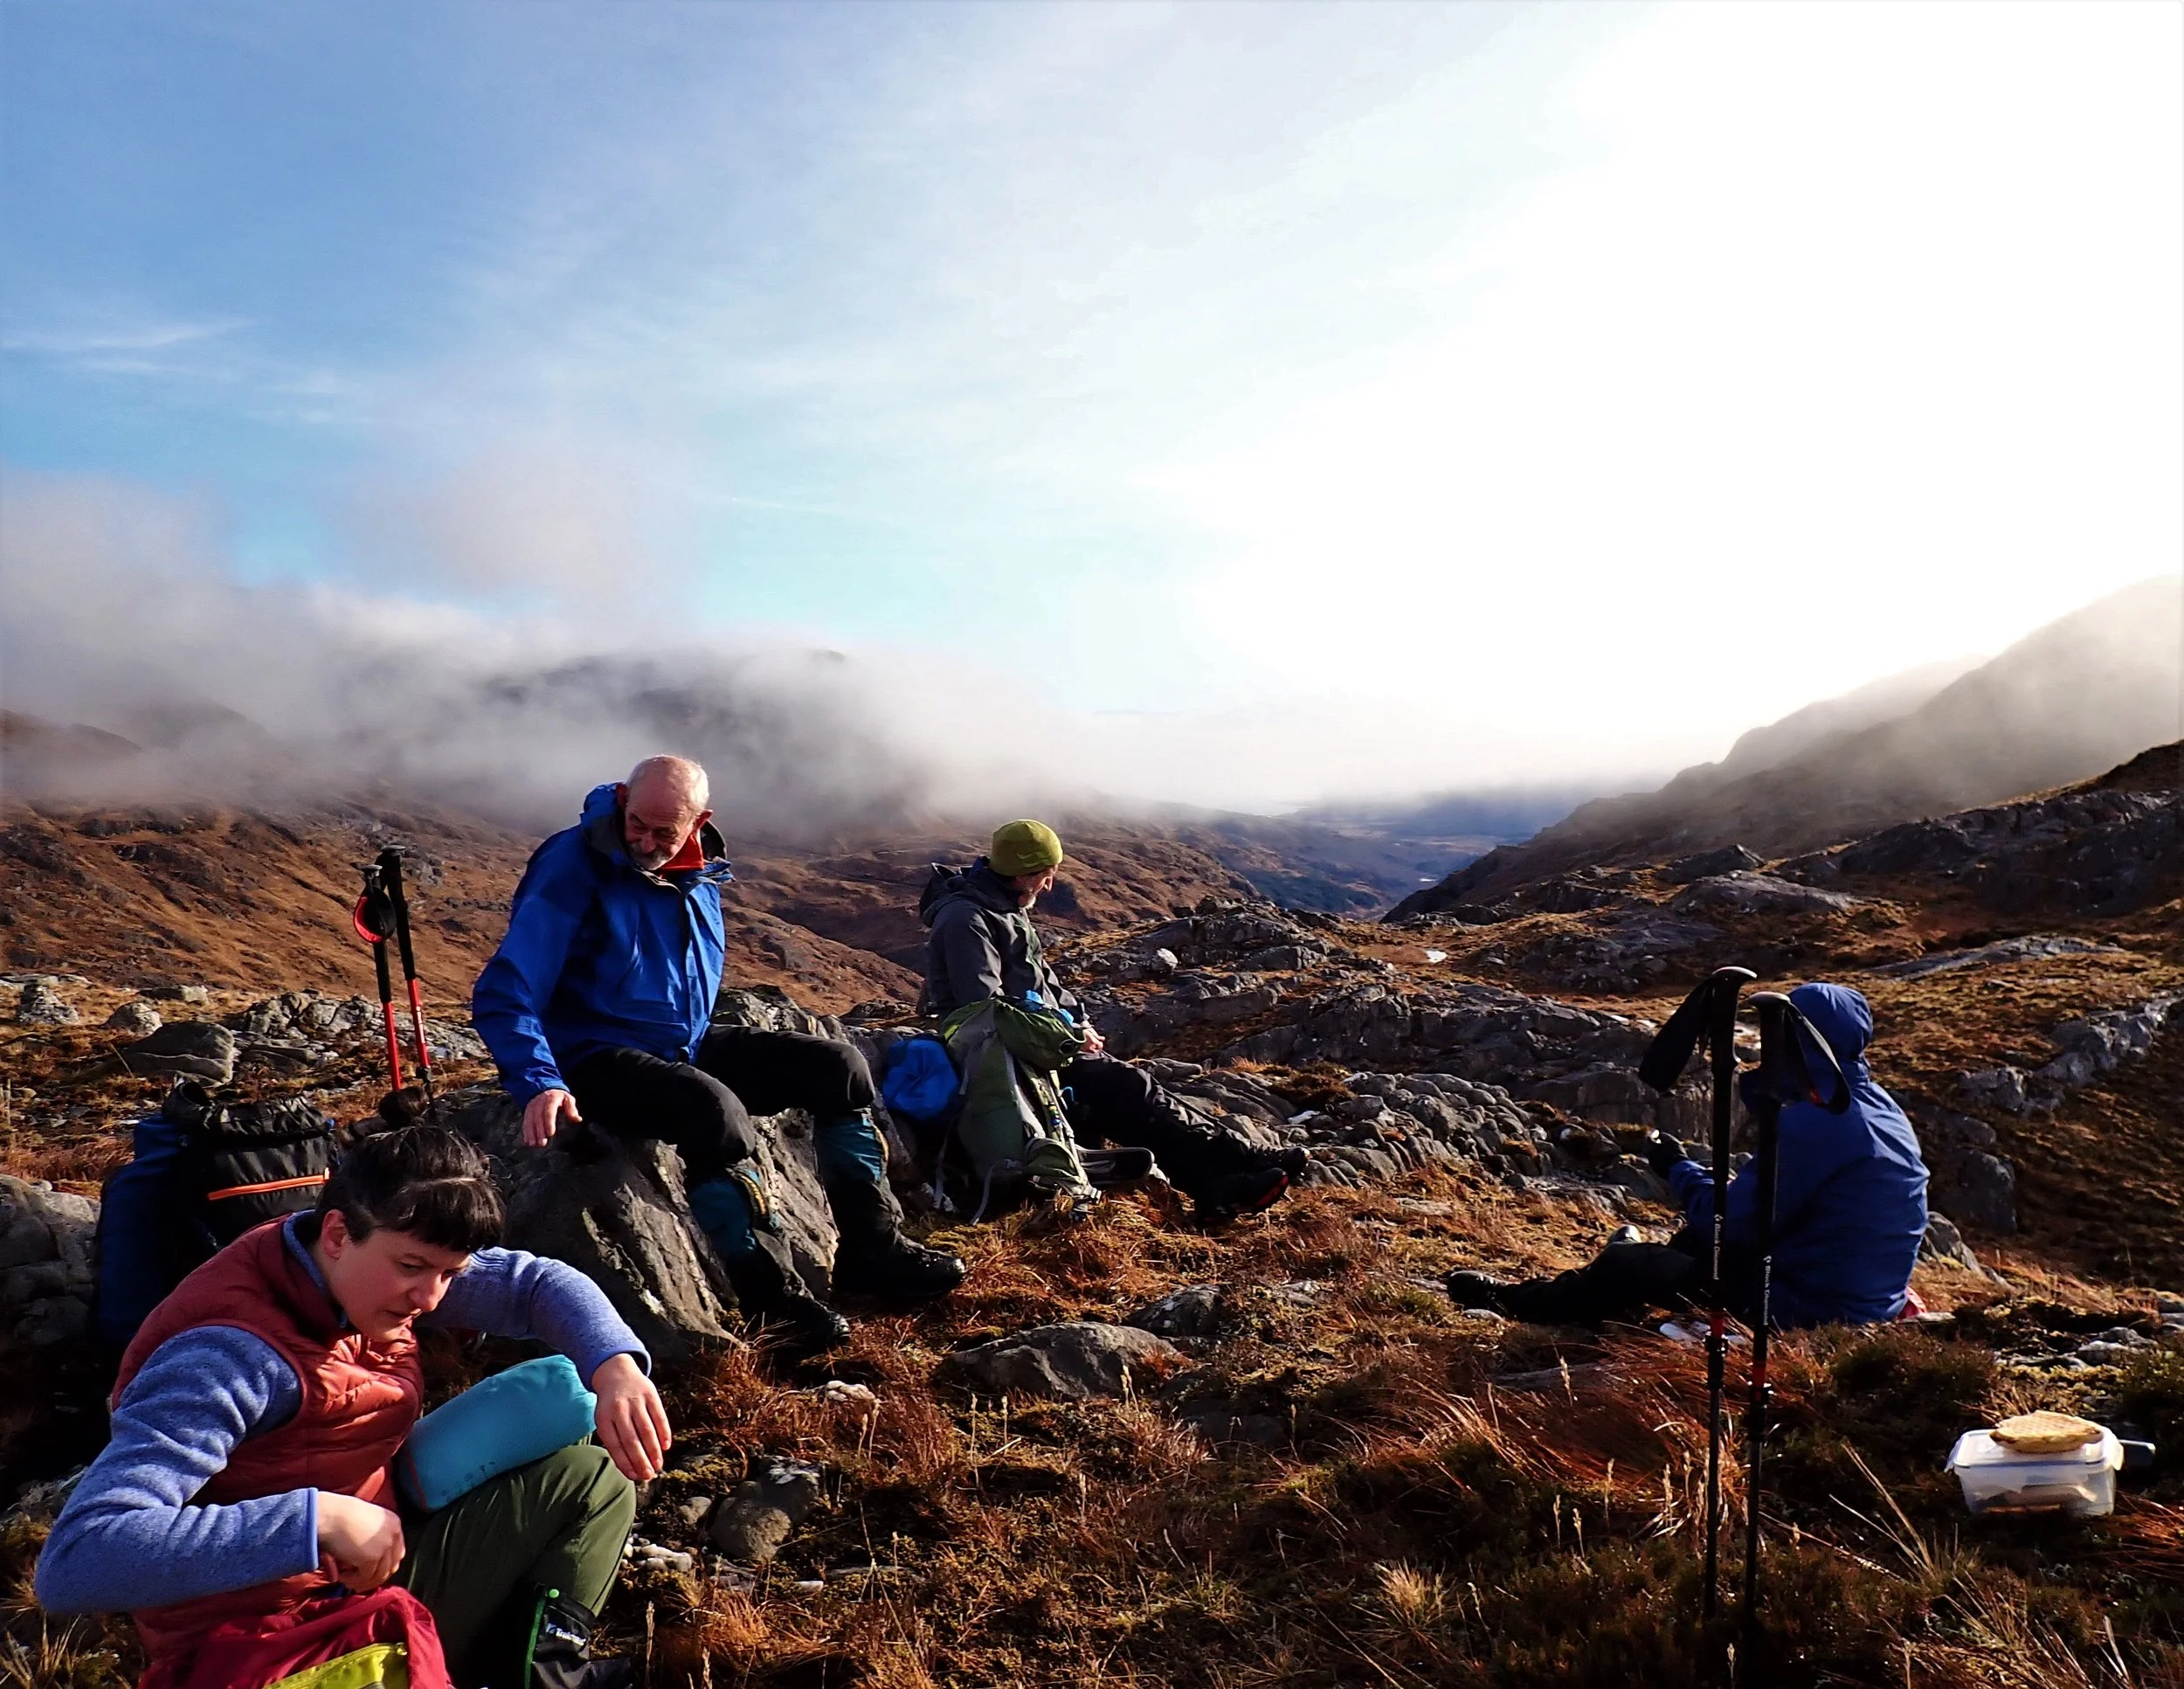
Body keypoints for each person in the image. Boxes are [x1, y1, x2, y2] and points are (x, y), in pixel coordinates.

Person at [36, 1125, 663, 1689]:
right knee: (592, 1481)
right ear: (337, 1231)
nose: (432, 1295)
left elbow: (533, 1284)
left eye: (452, 1272)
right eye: (414, 1267)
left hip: (355, 1562)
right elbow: (79, 1558)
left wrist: (614, 1364)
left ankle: (526, 1666)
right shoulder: (230, 1359)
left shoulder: (353, 1262)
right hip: (268, 1640)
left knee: (578, 1440)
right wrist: (316, 1521)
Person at [472, 756, 964, 1357]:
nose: (645, 842)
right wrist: (538, 1080)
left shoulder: (699, 872)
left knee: (839, 1068)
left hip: (679, 1044)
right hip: (589, 1056)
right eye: (637, 823)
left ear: (698, 822)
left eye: (664, 832)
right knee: (714, 1111)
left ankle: (873, 1250)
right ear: (623, 798)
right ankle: (772, 1301)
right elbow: (508, 985)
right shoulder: (573, 863)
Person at [1445, 982, 1929, 1329]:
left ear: (1796, 1040)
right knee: (1688, 1246)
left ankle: (1516, 1304)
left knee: (1627, 1264)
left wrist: (1675, 1166)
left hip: (1808, 1308)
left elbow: (1731, 1224)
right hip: (1861, 1295)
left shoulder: (1815, 1121)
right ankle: (1612, 1292)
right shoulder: (1872, 1106)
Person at [919, 819, 1303, 1221]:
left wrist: (1078, 1022)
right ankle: (1236, 1162)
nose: (1048, 886)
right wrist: (1067, 1036)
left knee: (1125, 1095)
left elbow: (1042, 982)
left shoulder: (1003, 905)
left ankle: (1217, 1185)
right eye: (1046, 876)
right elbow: (984, 1008)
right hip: (1001, 1056)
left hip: (1040, 1041)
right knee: (1130, 1087)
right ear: (1022, 873)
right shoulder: (967, 919)